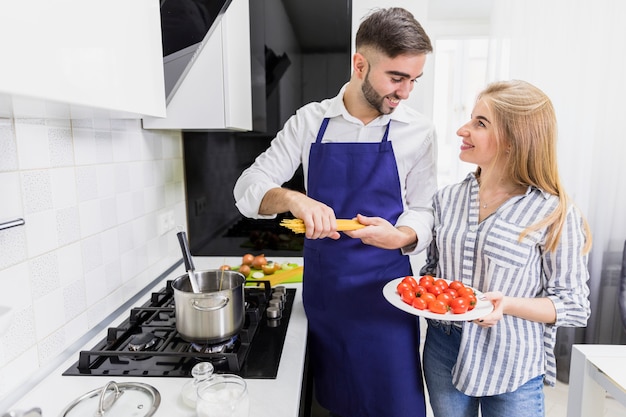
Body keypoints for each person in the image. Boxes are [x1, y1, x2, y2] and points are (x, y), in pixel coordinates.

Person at [234, 7, 437, 417]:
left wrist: (402, 235)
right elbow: (247, 190)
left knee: (397, 405)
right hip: (328, 297)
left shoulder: (418, 130)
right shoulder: (310, 123)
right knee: (334, 405)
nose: (405, 93)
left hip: (388, 297)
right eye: (396, 78)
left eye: (414, 80)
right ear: (360, 64)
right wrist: (294, 199)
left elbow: (424, 208)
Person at [420, 80, 592, 417]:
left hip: (513, 359)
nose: (461, 130)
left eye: (479, 123)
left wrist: (507, 304)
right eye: (470, 118)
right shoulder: (447, 199)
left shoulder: (553, 212)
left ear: (514, 142)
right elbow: (432, 271)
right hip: (444, 348)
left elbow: (574, 305)